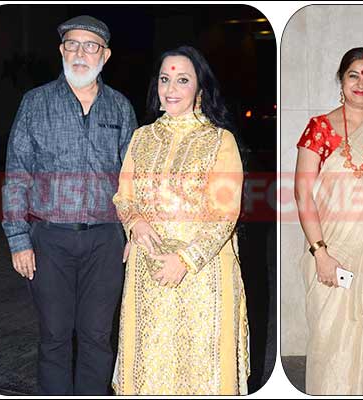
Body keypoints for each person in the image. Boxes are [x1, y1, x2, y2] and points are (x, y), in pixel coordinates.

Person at [1, 15, 138, 395]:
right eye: (72, 45)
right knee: (54, 336)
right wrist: (18, 240)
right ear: (62, 50)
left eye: (90, 46)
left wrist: (133, 231)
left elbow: (132, 179)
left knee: (97, 337)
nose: (80, 53)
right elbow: (17, 175)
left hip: (106, 242)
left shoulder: (120, 108)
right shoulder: (35, 103)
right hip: (49, 240)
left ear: (104, 55)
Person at [111, 46, 249, 395]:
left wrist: (185, 260)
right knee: (150, 364)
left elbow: (225, 214)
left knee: (199, 367)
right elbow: (124, 197)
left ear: (200, 89)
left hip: (203, 274)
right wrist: (134, 222)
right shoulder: (142, 137)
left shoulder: (220, 140)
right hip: (148, 269)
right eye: (164, 79)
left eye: (182, 80)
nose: (171, 88)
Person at [294, 47, 363, 395]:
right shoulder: (319, 129)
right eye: (353, 75)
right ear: (341, 80)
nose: (361, 83)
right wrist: (320, 253)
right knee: (331, 342)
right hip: (331, 250)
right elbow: (303, 194)